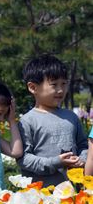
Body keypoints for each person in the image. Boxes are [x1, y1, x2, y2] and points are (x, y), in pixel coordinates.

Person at [17, 54, 87, 186]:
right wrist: (55, 162)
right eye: (54, 85)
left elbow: (83, 145)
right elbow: (23, 159)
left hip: (73, 193)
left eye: (64, 84)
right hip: (41, 194)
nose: (60, 90)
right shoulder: (28, 121)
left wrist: (82, 159)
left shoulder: (71, 117)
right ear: (33, 87)